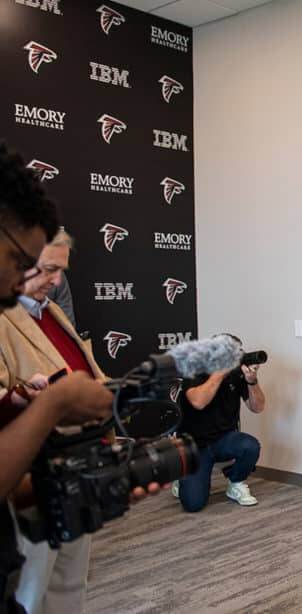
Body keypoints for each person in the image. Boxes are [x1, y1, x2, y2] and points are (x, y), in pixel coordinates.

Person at [0, 142, 116, 614]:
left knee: (69, 589)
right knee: (31, 592)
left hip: (73, 473)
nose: (46, 280)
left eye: (55, 272)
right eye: (32, 266)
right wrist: (46, 403)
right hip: (29, 485)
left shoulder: (53, 312)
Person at [172, 334, 266, 512]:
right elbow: (198, 402)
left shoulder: (238, 375)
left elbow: (257, 407)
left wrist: (252, 381)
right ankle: (182, 474)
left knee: (249, 446)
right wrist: (219, 373)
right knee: (193, 504)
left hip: (224, 439)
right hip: (194, 444)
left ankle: (235, 482)